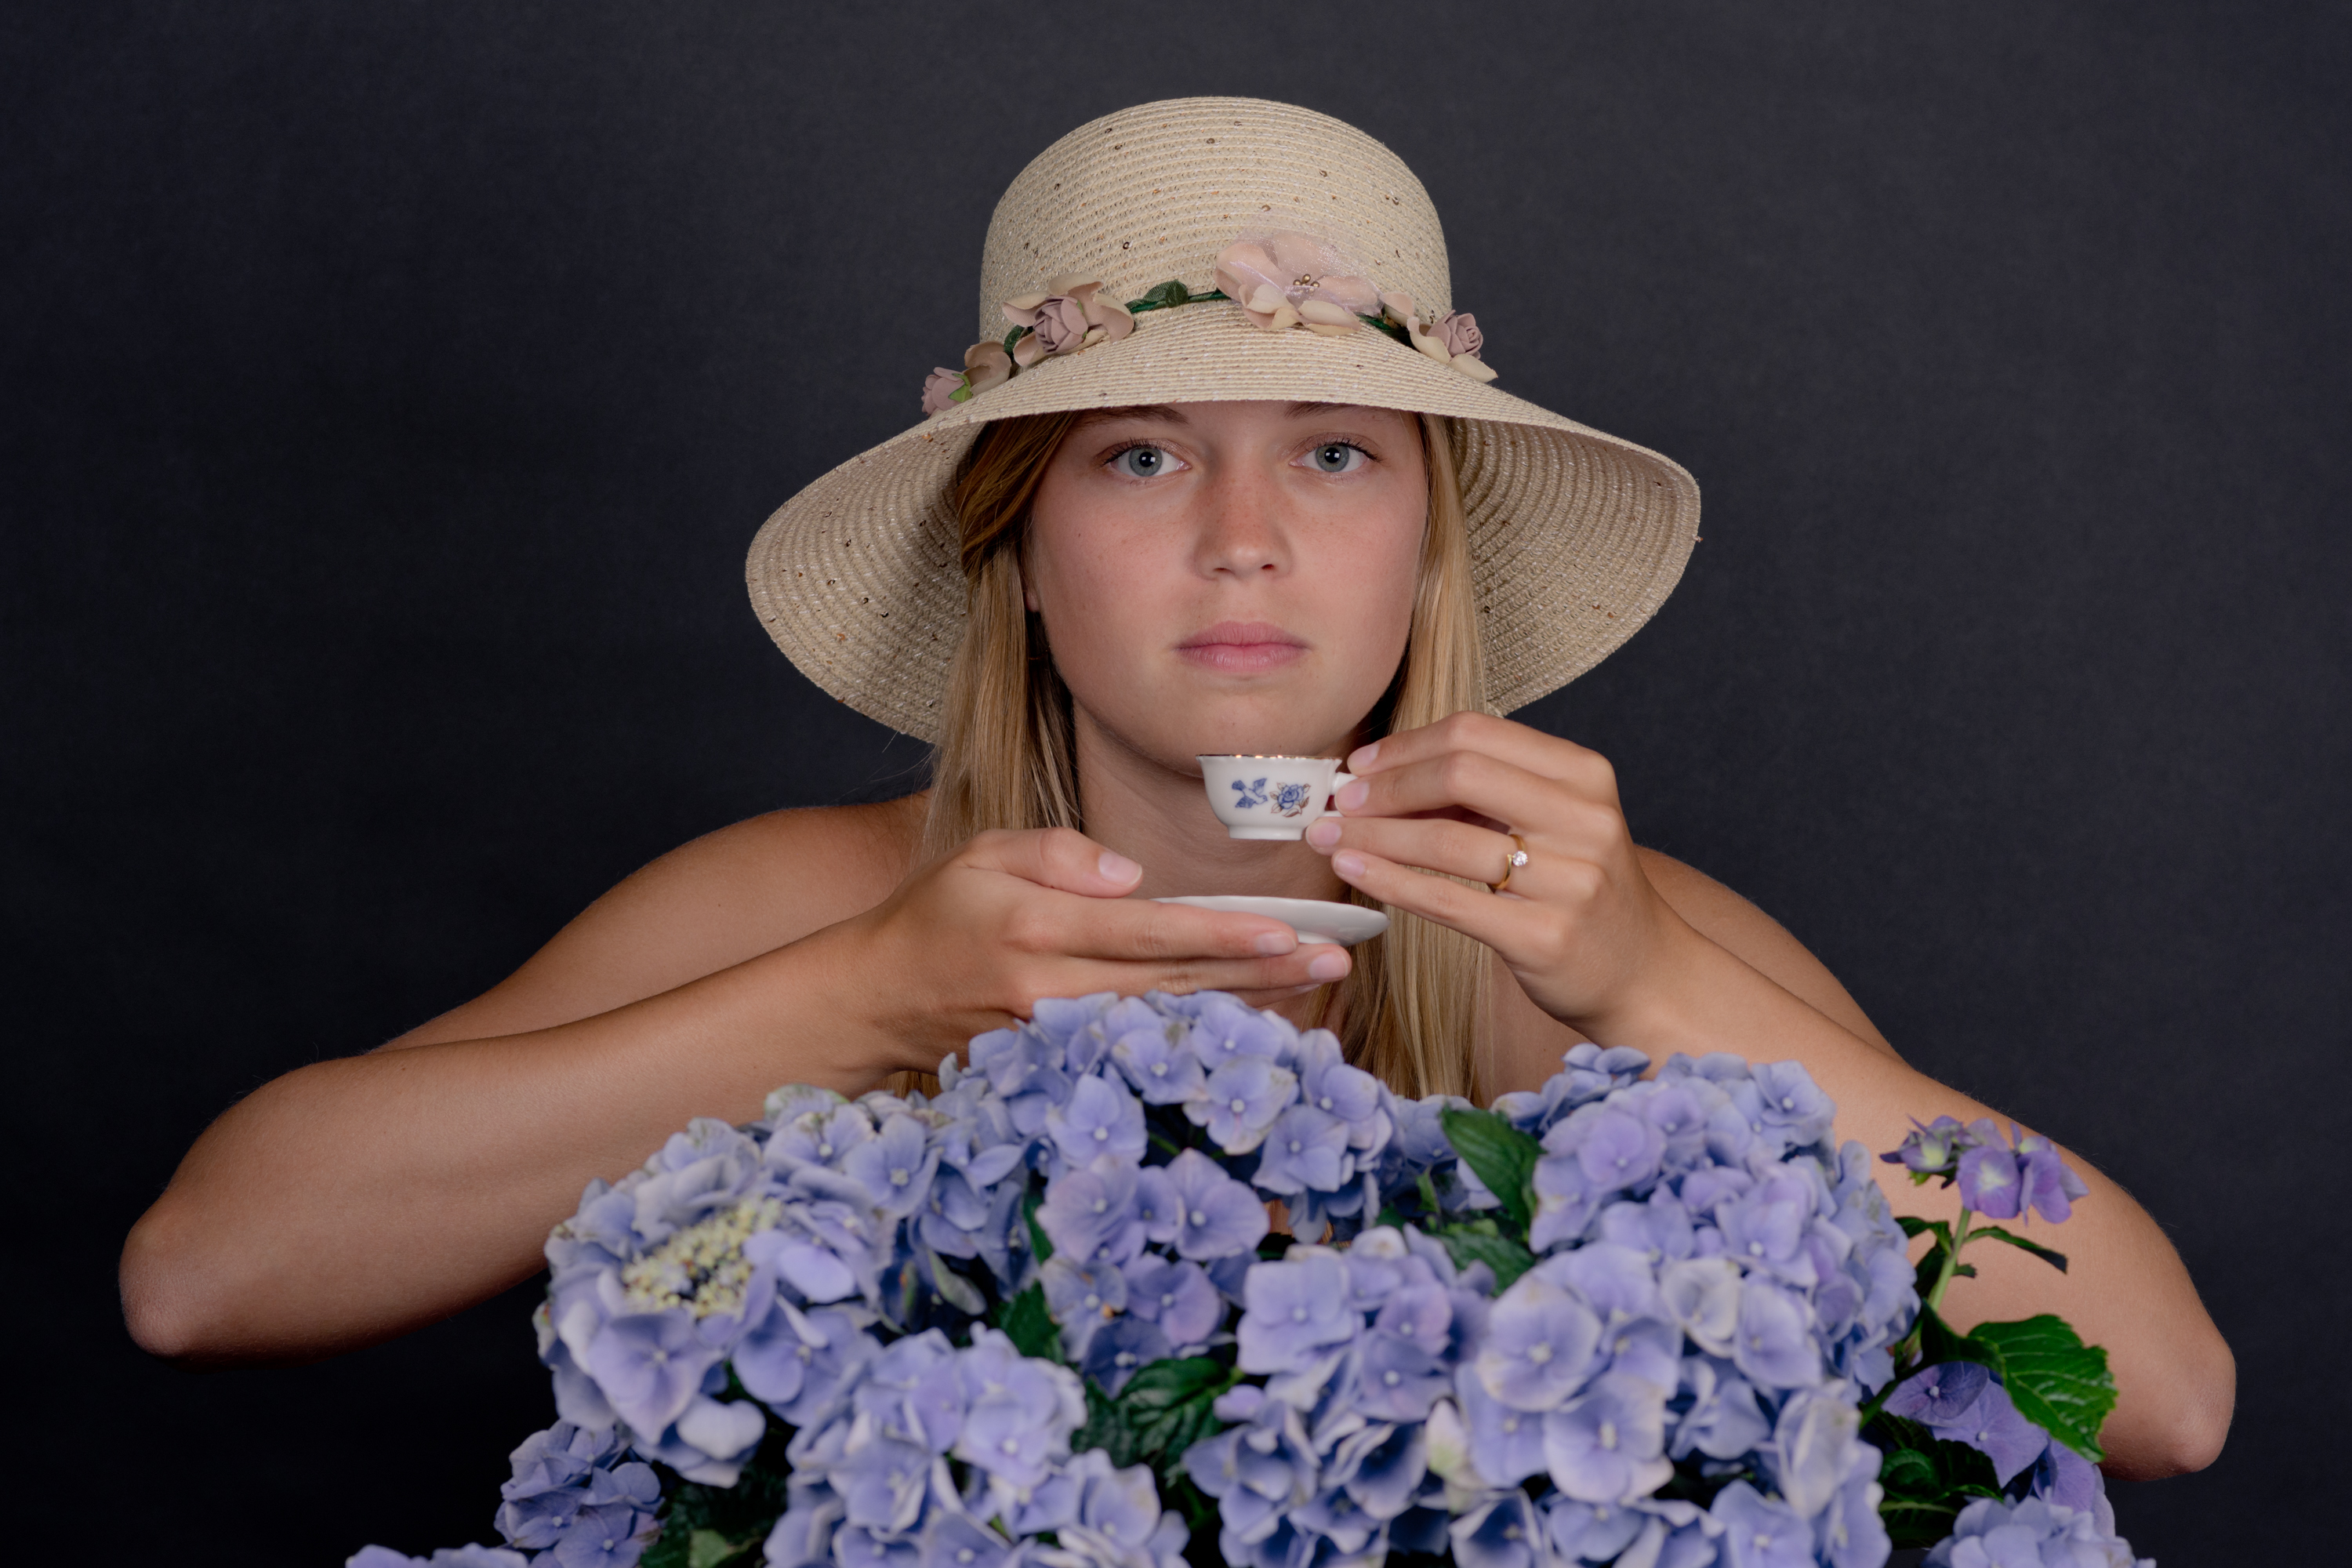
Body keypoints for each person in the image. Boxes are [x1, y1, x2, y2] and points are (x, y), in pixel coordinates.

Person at [118, 97, 2230, 1480]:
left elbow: (2169, 1397)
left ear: (1427, 545)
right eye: (1140, 453)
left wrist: (1660, 980)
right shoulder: (814, 907)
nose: (1247, 535)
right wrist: (857, 999)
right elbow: (203, 1274)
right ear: (1016, 554)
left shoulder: (1606, 959)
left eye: (1335, 451)